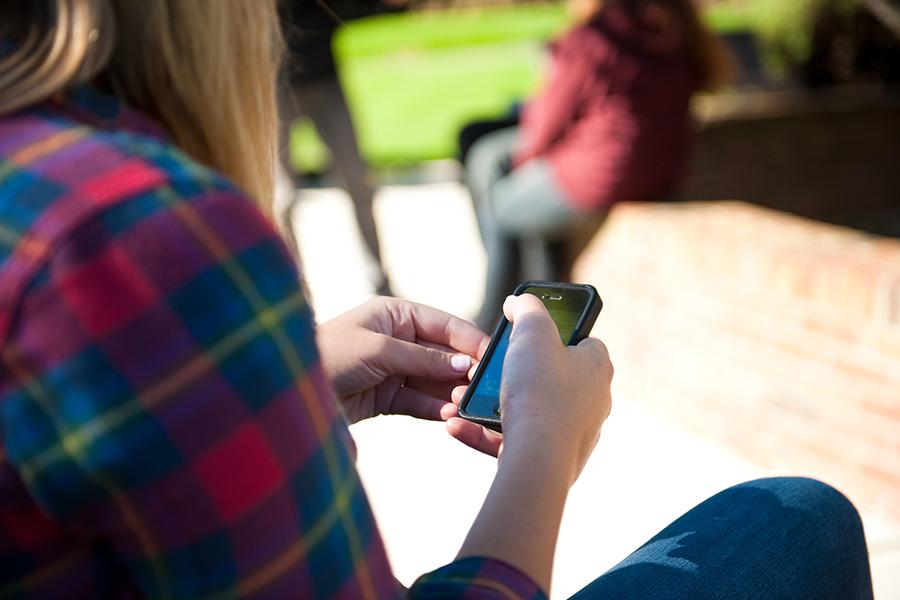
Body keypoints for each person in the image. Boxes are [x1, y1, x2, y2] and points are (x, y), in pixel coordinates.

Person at [0, 1, 874, 598]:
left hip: (583, 174)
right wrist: (546, 444)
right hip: (628, 172)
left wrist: (289, 377)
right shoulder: (142, 233)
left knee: (501, 176)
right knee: (803, 517)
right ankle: (509, 307)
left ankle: (501, 296)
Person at [467, 0, 733, 330]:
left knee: (502, 208)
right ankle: (545, 314)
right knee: (500, 169)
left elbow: (550, 118)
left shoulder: (593, 38)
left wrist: (526, 163)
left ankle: (490, 319)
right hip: (660, 168)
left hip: (602, 172)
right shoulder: (675, 29)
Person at [277, 0, 396, 296]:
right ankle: (294, 289)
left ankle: (380, 280)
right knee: (282, 196)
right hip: (277, 86)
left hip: (325, 80)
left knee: (359, 182)